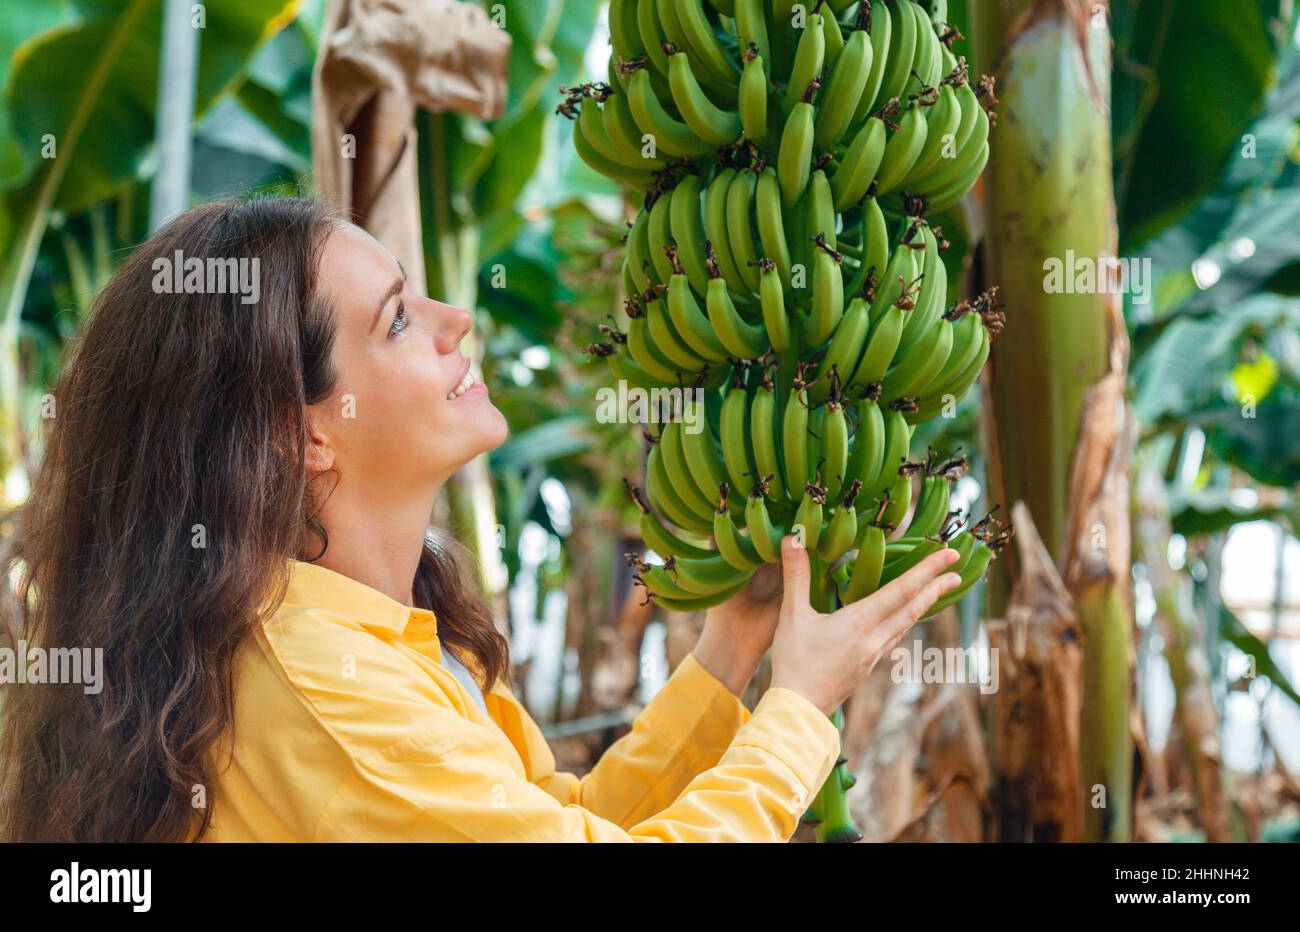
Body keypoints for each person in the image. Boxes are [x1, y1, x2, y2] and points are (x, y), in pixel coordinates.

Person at [0, 195, 963, 842]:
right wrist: (798, 713)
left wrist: (727, 659)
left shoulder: (383, 638)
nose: (456, 317)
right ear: (307, 440)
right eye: (398, 320)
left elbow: (552, 817)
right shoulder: (320, 690)